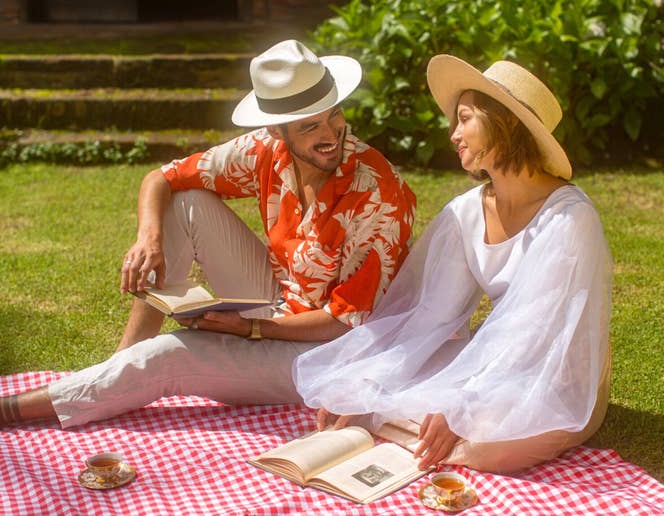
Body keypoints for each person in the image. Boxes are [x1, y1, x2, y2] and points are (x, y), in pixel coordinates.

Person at [0, 40, 417, 429]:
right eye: (309, 127)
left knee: (166, 356)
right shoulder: (266, 151)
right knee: (187, 204)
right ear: (278, 130)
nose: (330, 135)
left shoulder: (379, 193)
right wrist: (149, 239)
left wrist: (250, 330)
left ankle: (14, 411)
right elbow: (162, 178)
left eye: (334, 115)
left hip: (330, 352)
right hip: (280, 303)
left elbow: (344, 323)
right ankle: (118, 365)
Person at [294, 55, 613, 474]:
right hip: (499, 364)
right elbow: (427, 316)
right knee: (375, 388)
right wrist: (368, 387)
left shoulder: (569, 220)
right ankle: (411, 425)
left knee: (486, 445)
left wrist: (457, 402)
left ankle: (406, 427)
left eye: (465, 119)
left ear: (507, 123)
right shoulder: (467, 213)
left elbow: (529, 332)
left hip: (557, 377)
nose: (454, 135)